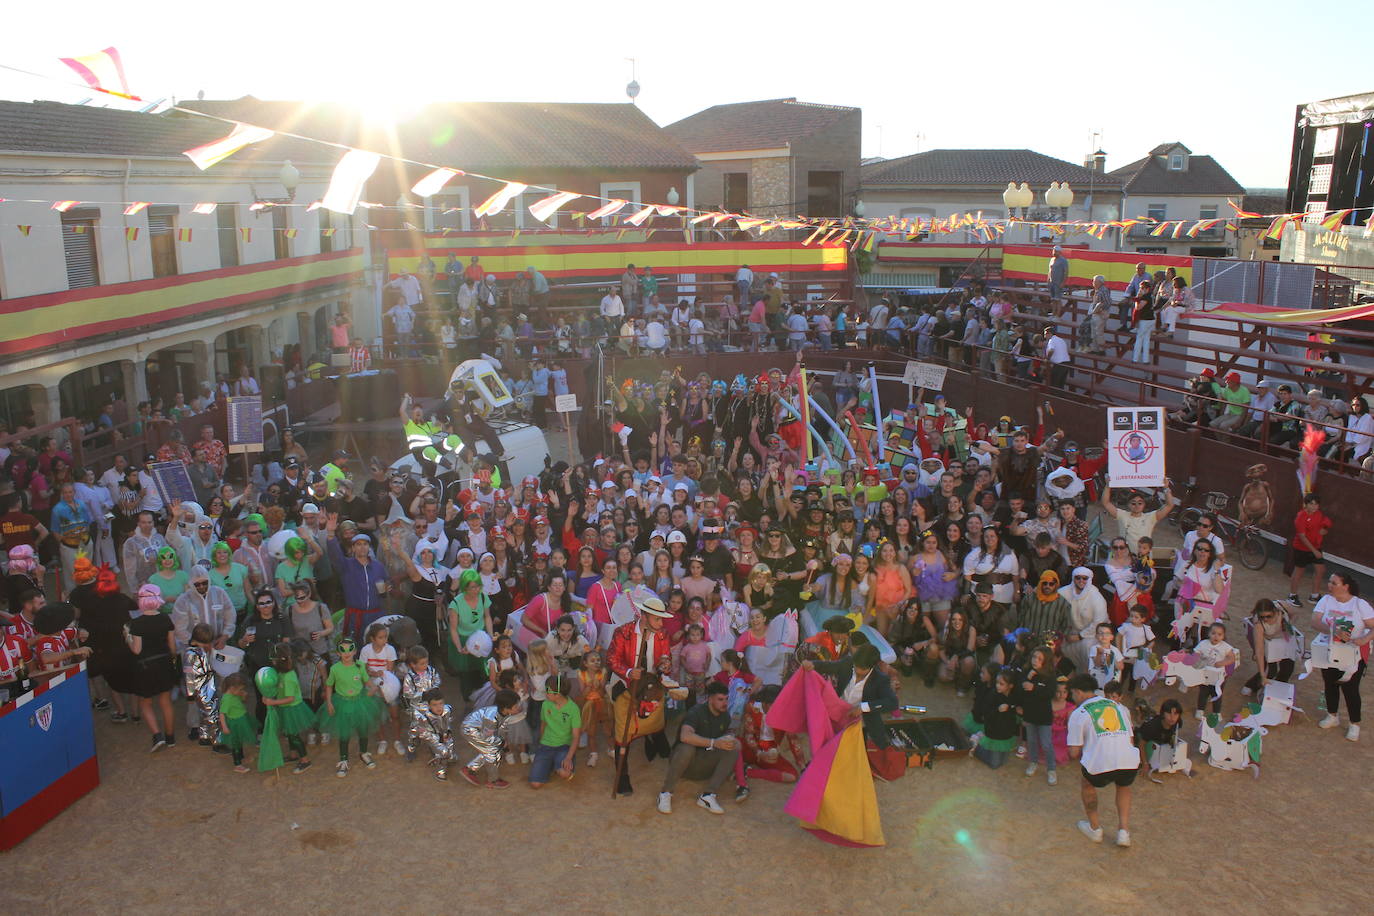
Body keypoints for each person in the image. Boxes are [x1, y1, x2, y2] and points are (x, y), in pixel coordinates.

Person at [1066, 673, 1139, 847]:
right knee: (1124, 786)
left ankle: (1095, 828)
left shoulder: (1077, 714)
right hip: (1128, 761)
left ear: (1077, 692)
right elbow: (1130, 739)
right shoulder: (1117, 706)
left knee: (1087, 783)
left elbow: (1074, 752)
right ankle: (1123, 831)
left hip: (1099, 765)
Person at [657, 681, 741, 815]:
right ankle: (666, 792)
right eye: (720, 699)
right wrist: (714, 743)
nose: (724, 703)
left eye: (726, 699)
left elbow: (725, 735)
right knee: (687, 747)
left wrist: (727, 738)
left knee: (735, 745)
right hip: (686, 764)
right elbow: (685, 736)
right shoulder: (696, 712)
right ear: (710, 699)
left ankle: (708, 795)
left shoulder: (725, 715)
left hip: (705, 765)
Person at [1311, 572, 1374, 742]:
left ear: (1346, 586)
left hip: (1354, 653)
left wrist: (1364, 639)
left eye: (1334, 583)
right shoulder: (1325, 600)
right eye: (1330, 582)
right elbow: (1315, 621)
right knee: (1330, 683)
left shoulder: (1360, 605)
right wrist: (1333, 631)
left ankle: (1355, 724)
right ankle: (1332, 715)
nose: (1330, 585)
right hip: (1330, 649)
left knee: (1350, 688)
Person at [126, 584, 180, 752]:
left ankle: (157, 735)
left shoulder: (136, 624)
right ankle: (170, 737)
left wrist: (127, 638)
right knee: (166, 701)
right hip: (164, 663)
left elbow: (137, 650)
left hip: (145, 667)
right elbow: (173, 648)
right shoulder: (166, 619)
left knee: (146, 702)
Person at [318, 637, 382, 777]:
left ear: (355, 651)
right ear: (338, 653)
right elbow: (329, 685)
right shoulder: (335, 668)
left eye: (350, 649)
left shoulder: (359, 665)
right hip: (343, 703)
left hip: (360, 702)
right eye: (342, 650)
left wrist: (372, 688)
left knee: (363, 729)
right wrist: (329, 702)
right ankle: (343, 760)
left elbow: (367, 681)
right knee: (344, 733)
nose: (346, 653)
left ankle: (363, 753)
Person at [458, 688, 522, 788]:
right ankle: (492, 780)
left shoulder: (505, 714)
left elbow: (502, 729)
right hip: (470, 730)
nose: (518, 708)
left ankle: (471, 769)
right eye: (515, 706)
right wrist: (501, 743)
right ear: (506, 708)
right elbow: (487, 738)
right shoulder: (491, 718)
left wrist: (503, 741)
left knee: (492, 749)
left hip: (479, 730)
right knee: (491, 751)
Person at [529, 672, 581, 789]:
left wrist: (568, 757)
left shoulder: (573, 709)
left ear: (557, 694)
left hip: (564, 746)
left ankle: (562, 762)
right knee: (535, 784)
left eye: (548, 691)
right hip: (546, 745)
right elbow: (543, 724)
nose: (546, 693)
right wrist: (541, 744)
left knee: (565, 774)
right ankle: (551, 764)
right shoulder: (546, 705)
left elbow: (576, 736)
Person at [1288, 493, 1331, 606]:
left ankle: (1314, 596)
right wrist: (1314, 551)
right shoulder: (1300, 517)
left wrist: (1324, 530)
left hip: (1315, 547)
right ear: (1306, 505)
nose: (1314, 507)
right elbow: (1302, 537)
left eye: (1316, 504)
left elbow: (1325, 523)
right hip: (1301, 548)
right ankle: (1292, 595)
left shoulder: (1319, 514)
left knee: (1320, 570)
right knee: (1299, 571)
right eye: (1311, 504)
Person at [410, 687, 457, 780]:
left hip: (444, 733)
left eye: (441, 703)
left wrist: (447, 732)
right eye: (435, 705)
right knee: (443, 752)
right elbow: (422, 732)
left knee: (450, 746)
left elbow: (448, 722)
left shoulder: (448, 710)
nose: (439, 707)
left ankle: (448, 756)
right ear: (428, 705)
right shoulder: (423, 717)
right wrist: (437, 738)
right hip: (431, 735)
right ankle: (441, 771)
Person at [217, 673, 258, 773]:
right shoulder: (227, 699)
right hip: (235, 723)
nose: (241, 691)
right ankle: (237, 764)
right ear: (232, 688)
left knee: (239, 742)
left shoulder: (234, 694)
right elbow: (222, 714)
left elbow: (242, 702)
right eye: (240, 689)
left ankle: (241, 758)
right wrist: (224, 726)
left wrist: (243, 696)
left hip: (241, 720)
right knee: (236, 744)